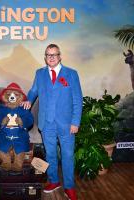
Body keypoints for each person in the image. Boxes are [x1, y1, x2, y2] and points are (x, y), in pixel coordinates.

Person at [22, 44, 82, 200]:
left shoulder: (71, 74)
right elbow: (34, 90)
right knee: (50, 154)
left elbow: (77, 99)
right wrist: (29, 99)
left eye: (54, 54)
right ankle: (54, 181)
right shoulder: (40, 74)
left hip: (67, 125)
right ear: (45, 57)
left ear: (60, 56)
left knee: (68, 155)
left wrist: (75, 122)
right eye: (48, 55)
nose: (51, 57)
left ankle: (69, 187)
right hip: (46, 123)